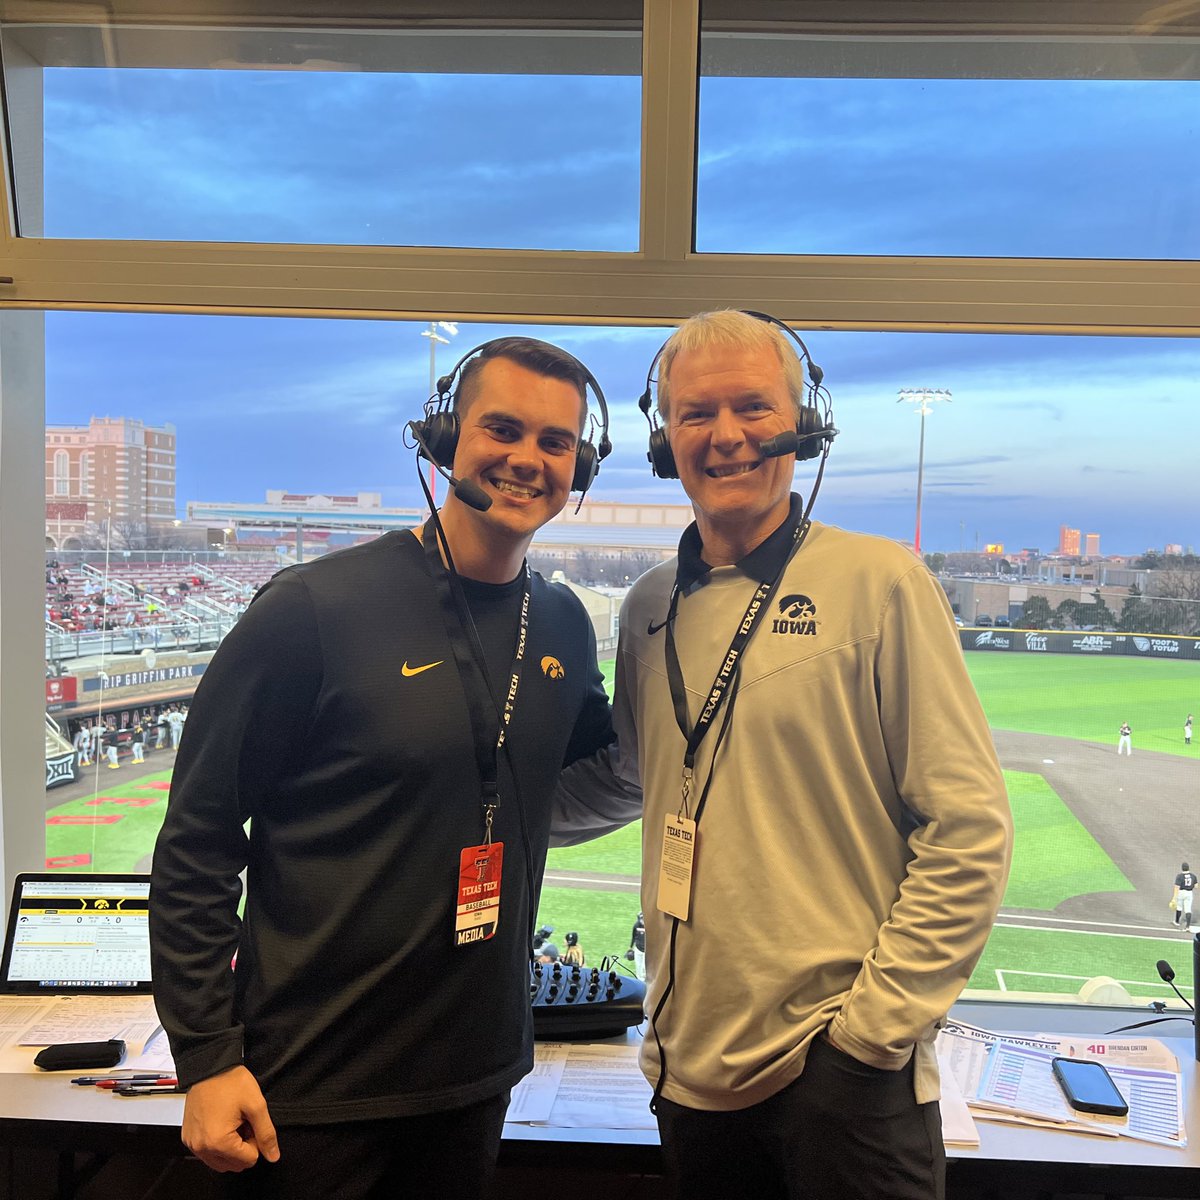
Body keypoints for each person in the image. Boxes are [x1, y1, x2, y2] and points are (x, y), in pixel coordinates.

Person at [150, 337, 639, 1200]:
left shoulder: (563, 624)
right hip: (310, 1084)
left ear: (581, 466)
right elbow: (198, 841)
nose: (528, 458)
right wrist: (205, 1057)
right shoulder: (312, 610)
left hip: (475, 1078)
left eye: (555, 442)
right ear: (446, 437)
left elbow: (613, 765)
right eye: (502, 428)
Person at [582, 310, 1012, 1200]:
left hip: (840, 1081)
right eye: (696, 412)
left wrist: (864, 1044)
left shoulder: (882, 583)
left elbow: (967, 831)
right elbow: (637, 776)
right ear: (665, 435)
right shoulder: (648, 605)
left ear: (803, 421)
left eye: (753, 406)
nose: (727, 435)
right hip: (690, 1074)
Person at [1173, 862, 1196, 931]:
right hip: (1189, 893)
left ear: (1182, 868)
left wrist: (1174, 897)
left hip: (1181, 892)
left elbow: (1177, 887)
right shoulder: (1193, 876)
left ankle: (1177, 922)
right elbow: (1196, 886)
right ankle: (1187, 927)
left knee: (1179, 907)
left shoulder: (1180, 876)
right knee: (1188, 909)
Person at [626, 910, 646, 981]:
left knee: (644, 967)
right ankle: (639, 980)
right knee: (638, 966)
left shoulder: (649, 926)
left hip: (646, 950)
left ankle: (644, 981)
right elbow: (633, 936)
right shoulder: (636, 925)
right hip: (638, 948)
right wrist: (630, 947)